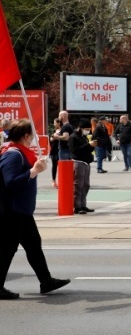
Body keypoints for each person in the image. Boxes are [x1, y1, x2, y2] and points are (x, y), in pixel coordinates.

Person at [0, 119, 71, 300]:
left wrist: (34, 169)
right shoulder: (14, 155)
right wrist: (33, 171)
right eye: (32, 134)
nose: (34, 138)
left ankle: (46, 281)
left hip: (19, 211)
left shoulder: (19, 153)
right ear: (26, 136)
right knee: (9, 248)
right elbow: (10, 183)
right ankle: (45, 281)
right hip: (12, 212)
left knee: (32, 246)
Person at [68, 124, 95, 214]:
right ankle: (77, 206)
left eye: (89, 129)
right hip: (78, 162)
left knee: (85, 185)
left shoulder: (83, 137)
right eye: (86, 129)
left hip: (86, 162)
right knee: (78, 185)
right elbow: (75, 151)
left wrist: (92, 146)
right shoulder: (73, 137)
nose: (87, 131)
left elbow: (86, 150)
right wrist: (88, 145)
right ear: (80, 128)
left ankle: (83, 204)